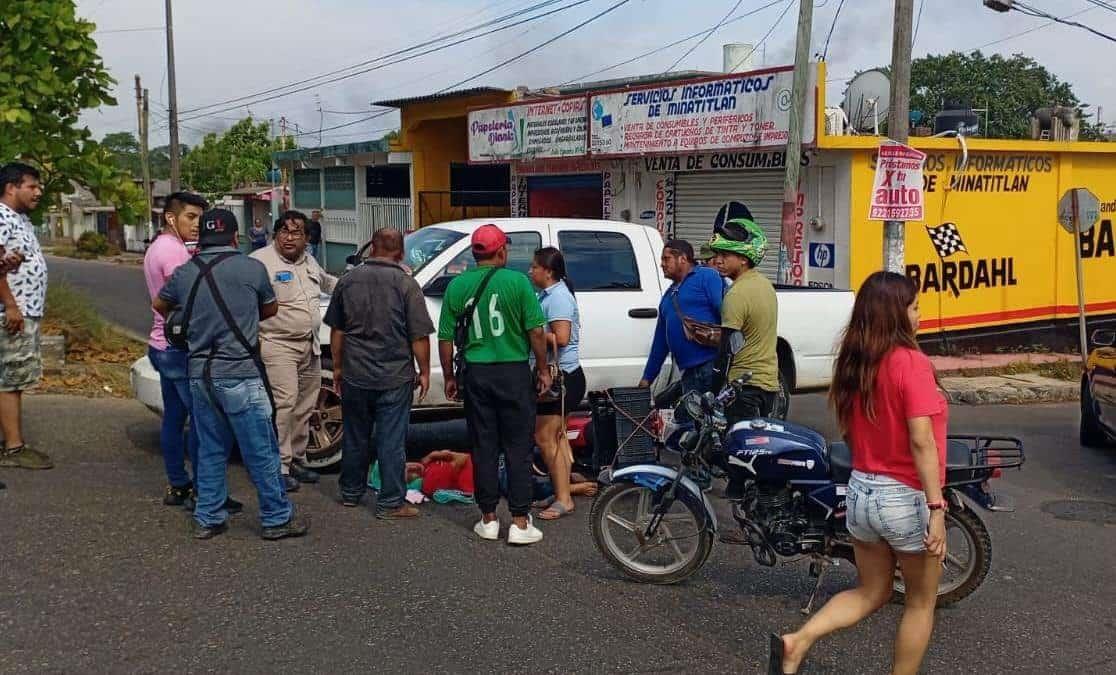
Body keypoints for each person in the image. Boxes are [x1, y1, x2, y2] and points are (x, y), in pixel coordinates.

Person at [768, 271, 948, 675]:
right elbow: (922, 441)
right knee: (921, 602)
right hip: (905, 496)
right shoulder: (912, 364)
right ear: (894, 314)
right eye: (914, 307)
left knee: (871, 590)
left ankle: (798, 641)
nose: (920, 315)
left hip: (862, 492)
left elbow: (851, 432)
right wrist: (936, 508)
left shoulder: (855, 362)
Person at [154, 208, 307, 541]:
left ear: (202, 237)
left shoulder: (184, 272)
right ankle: (276, 517)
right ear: (235, 238)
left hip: (199, 373)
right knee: (261, 449)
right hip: (240, 372)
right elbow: (270, 309)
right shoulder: (252, 268)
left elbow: (160, 305)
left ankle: (208, 517)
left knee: (209, 447)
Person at [437, 224, 551, 545]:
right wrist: (542, 369)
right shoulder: (517, 282)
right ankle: (519, 521)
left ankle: (487, 518)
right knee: (518, 447)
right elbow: (537, 332)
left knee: (483, 446)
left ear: (475, 254)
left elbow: (446, 338)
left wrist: (449, 376)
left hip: (476, 374)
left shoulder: (457, 286)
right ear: (501, 251)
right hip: (513, 372)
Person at [325, 228, 433, 518]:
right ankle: (390, 502)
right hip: (394, 375)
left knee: (355, 435)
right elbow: (419, 336)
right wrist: (424, 371)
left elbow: (337, 331)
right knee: (391, 440)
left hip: (355, 373)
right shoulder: (406, 285)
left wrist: (337, 367)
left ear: (372, 247)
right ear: (401, 252)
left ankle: (350, 492)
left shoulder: (347, 281)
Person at [251, 210, 337, 492]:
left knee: (305, 405)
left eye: (296, 232)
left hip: (309, 344)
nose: (289, 238)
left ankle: (298, 458)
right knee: (285, 403)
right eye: (284, 232)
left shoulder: (309, 260)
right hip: (278, 344)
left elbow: (328, 283)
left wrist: (358, 284)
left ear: (306, 238)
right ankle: (280, 466)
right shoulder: (259, 262)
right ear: (275, 234)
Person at [143, 191, 210, 506]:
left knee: (173, 417)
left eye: (200, 218)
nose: (197, 225)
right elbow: (183, 298)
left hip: (161, 345)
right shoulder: (172, 252)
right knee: (201, 419)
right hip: (177, 348)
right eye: (191, 217)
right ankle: (203, 491)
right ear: (171, 217)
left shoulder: (162, 246)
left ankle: (179, 484)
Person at [527, 247, 586, 521]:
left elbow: (561, 338)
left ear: (547, 271)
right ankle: (562, 490)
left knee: (545, 437)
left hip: (563, 378)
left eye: (534, 267)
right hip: (561, 377)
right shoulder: (547, 295)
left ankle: (564, 499)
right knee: (556, 435)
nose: (530, 271)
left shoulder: (559, 297)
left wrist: (533, 332)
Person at [0, 163, 52, 472]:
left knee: (11, 378)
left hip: (23, 310)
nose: (38, 191)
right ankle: (14, 448)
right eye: (31, 186)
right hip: (13, 313)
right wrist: (12, 306)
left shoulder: (18, 219)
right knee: (11, 379)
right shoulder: (1, 216)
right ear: (11, 187)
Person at [639, 239, 724, 419]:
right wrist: (647, 379)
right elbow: (660, 343)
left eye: (666, 258)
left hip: (710, 365)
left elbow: (726, 312)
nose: (662, 264)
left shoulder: (706, 276)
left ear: (682, 259)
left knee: (709, 423)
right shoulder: (668, 296)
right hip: (689, 373)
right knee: (694, 425)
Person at [708, 220, 779, 421]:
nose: (718, 260)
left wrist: (712, 391)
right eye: (717, 254)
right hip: (768, 383)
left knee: (736, 448)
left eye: (725, 255)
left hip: (744, 386)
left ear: (743, 259)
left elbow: (726, 350)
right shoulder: (765, 285)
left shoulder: (736, 294)